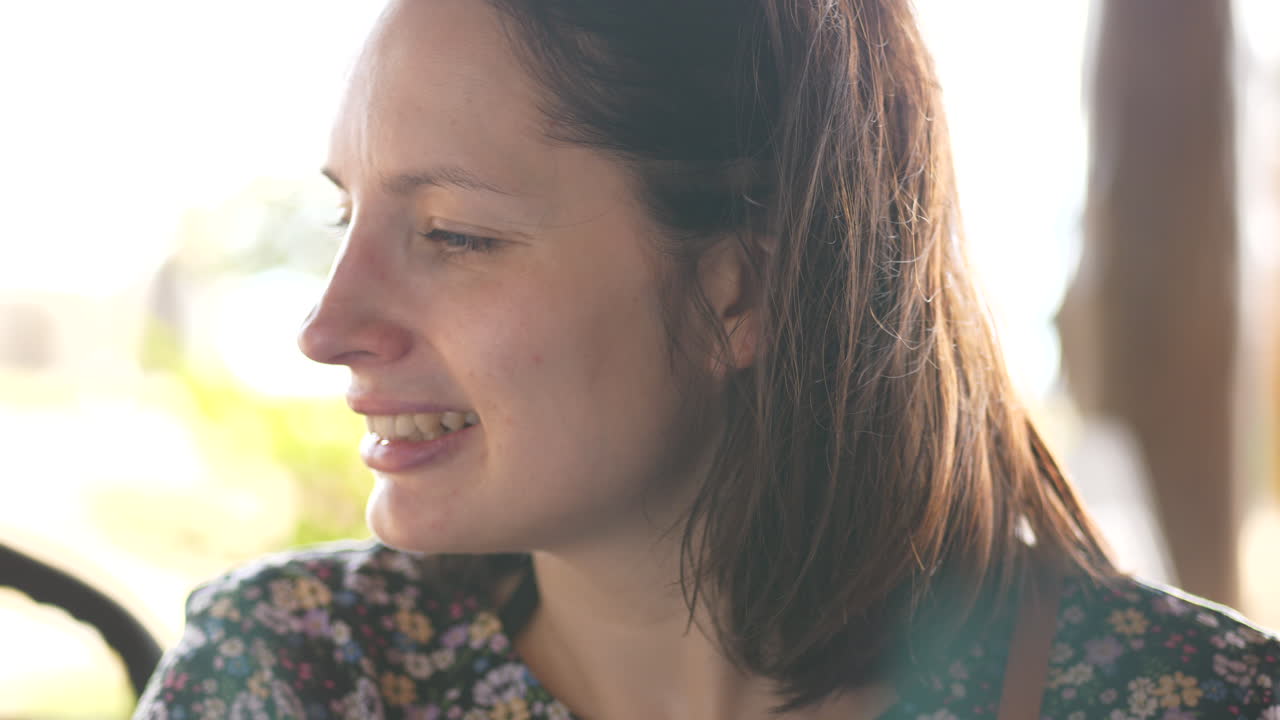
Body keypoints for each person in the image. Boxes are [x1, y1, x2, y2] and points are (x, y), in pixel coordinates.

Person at [133, 1, 1279, 718]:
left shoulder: (1184, 699)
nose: (327, 326)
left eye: (454, 235)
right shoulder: (295, 674)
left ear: (742, 288)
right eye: (346, 218)